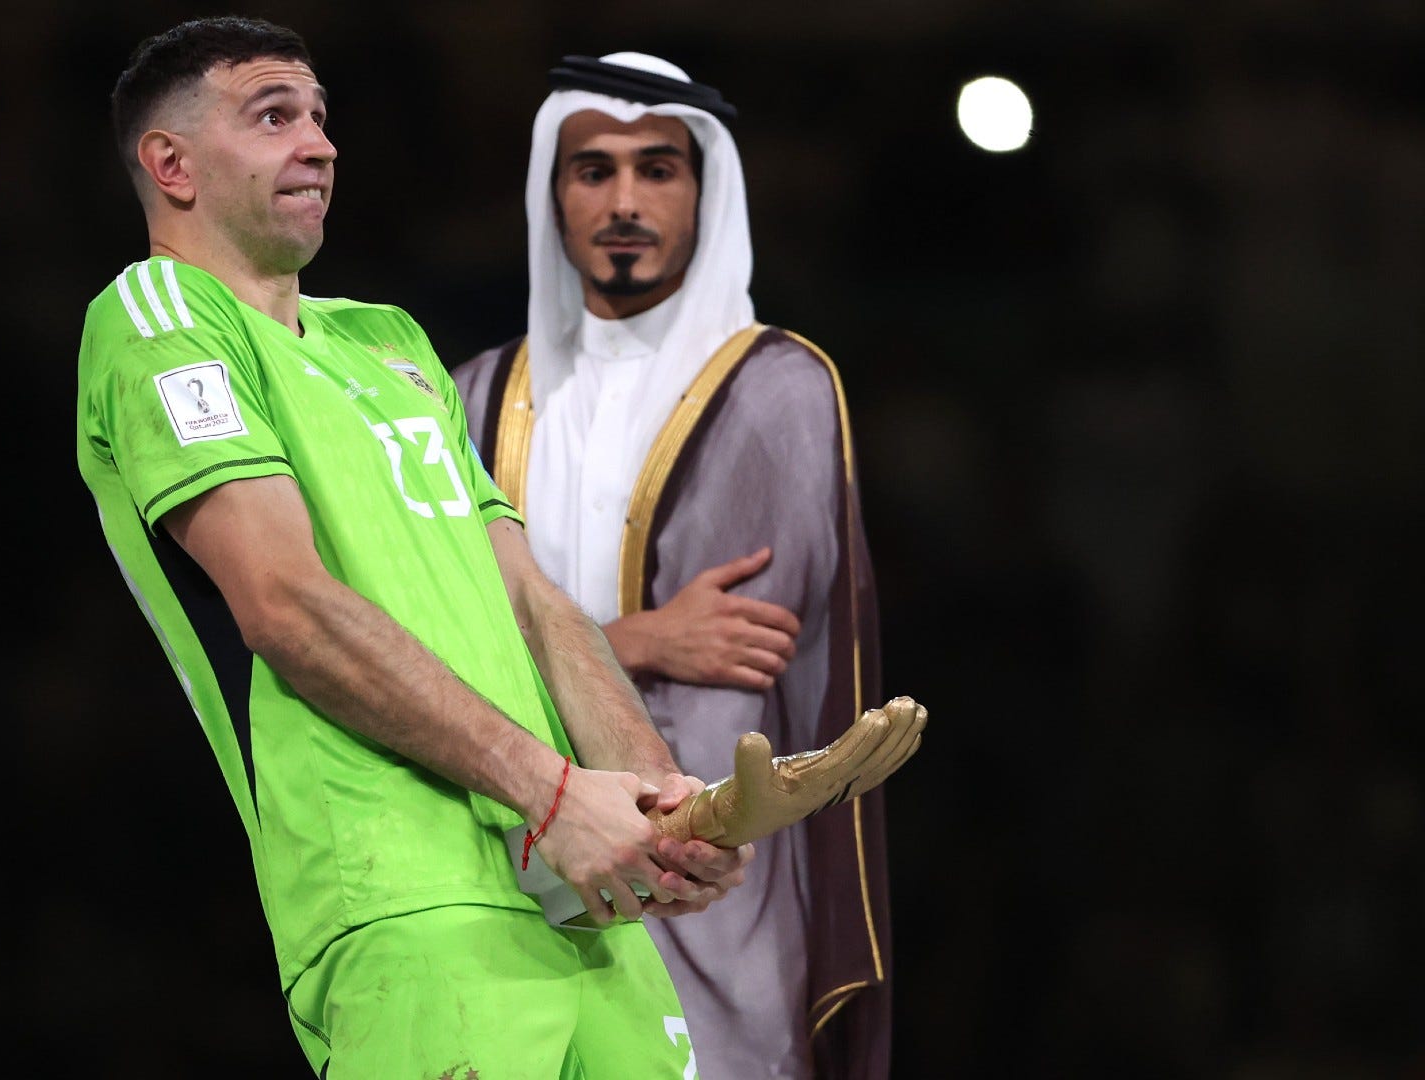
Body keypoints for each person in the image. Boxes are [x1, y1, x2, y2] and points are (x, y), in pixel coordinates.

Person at [73, 18, 756, 1078]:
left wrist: (659, 802)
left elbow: (532, 601)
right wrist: (552, 791)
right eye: (273, 116)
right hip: (403, 894)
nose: (319, 144)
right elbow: (284, 604)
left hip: (573, 893)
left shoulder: (388, 340)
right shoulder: (158, 317)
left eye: (319, 117)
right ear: (171, 165)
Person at [451, 52, 896, 1080]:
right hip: (507, 870)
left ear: (706, 190)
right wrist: (642, 637)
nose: (624, 201)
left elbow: (734, 668)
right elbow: (433, 649)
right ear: (552, 192)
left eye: (657, 169)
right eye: (592, 170)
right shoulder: (467, 395)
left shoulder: (778, 388)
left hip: (712, 883)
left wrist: (550, 653)